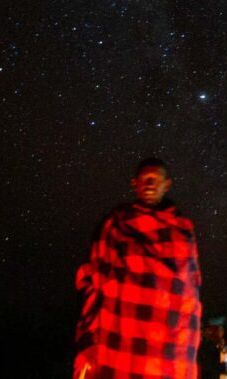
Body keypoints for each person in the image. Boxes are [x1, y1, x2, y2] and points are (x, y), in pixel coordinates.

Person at [75, 158, 202, 379]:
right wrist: (88, 338)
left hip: (165, 346)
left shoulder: (181, 231)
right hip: (120, 341)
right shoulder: (115, 224)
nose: (150, 184)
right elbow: (93, 276)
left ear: (166, 185)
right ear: (135, 184)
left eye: (155, 179)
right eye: (145, 179)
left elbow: (189, 295)